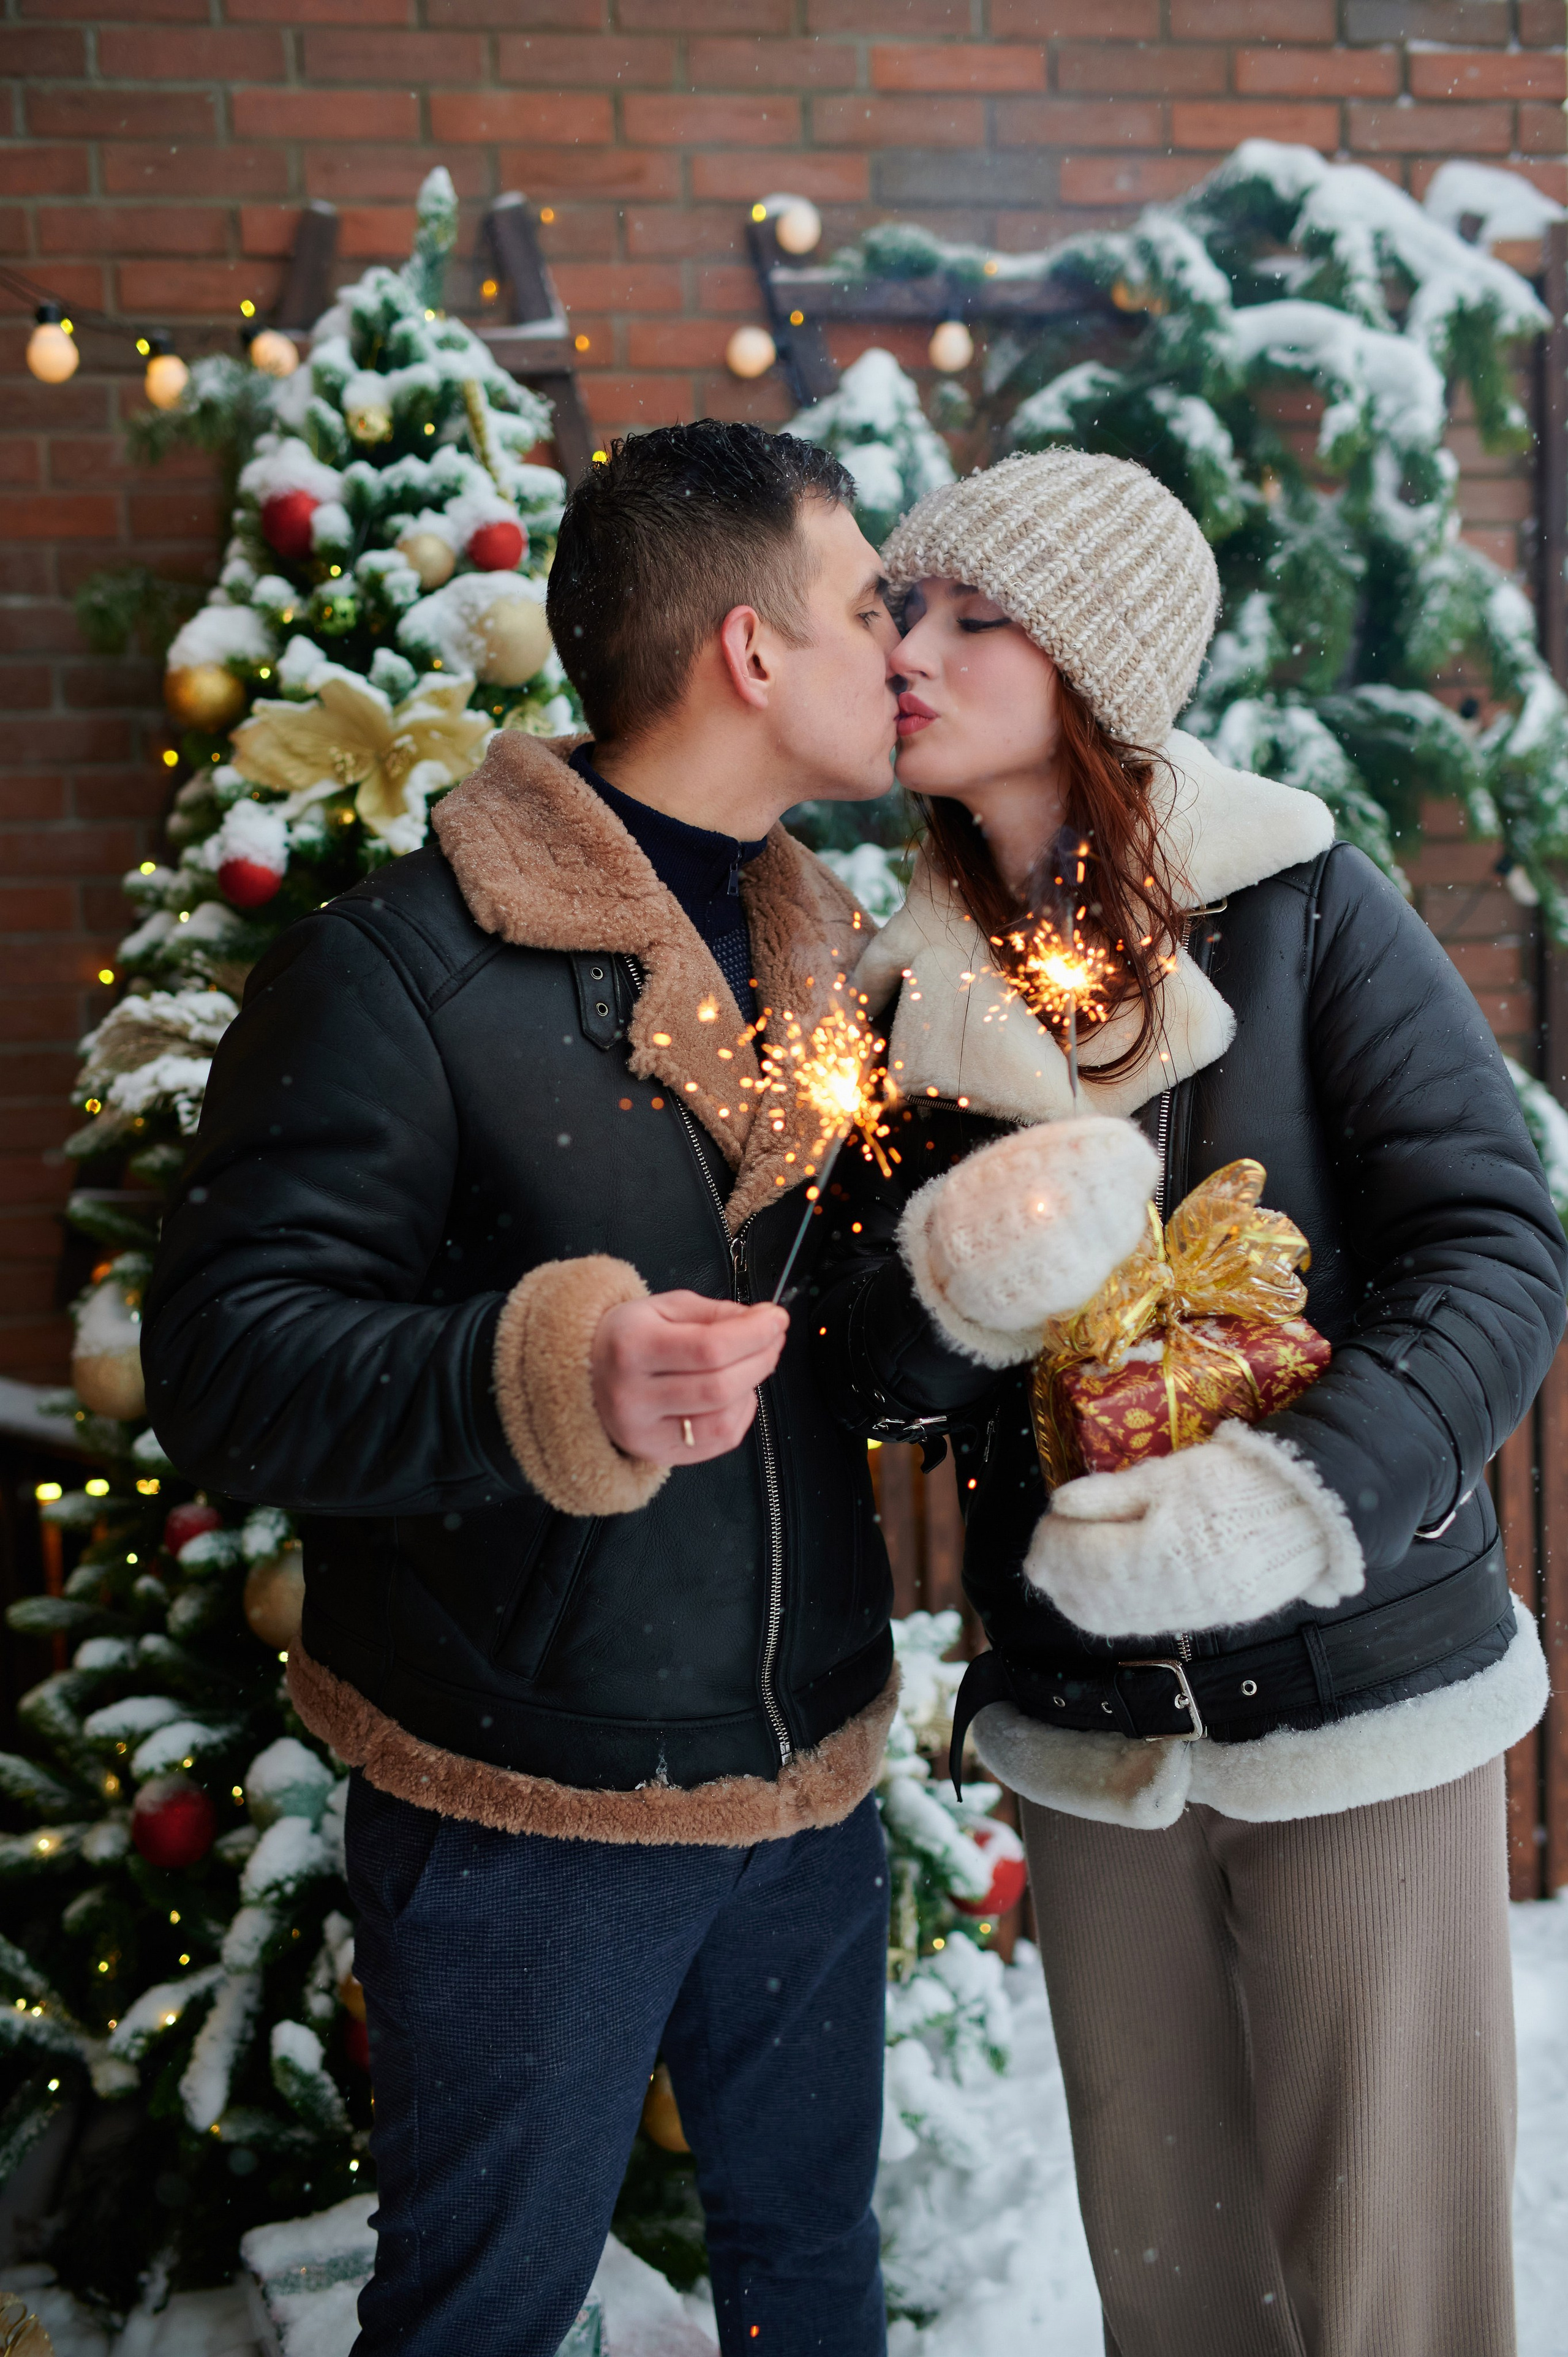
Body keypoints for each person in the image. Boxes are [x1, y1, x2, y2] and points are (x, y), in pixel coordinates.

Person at [143, 424, 1144, 2357]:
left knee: (813, 2288)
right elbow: (224, 1366)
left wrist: (968, 1280)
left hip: (807, 1771)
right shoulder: (400, 970)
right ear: (754, 654)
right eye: (873, 605)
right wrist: (550, 1367)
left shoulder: (835, 968)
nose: (904, 652)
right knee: (480, 2318)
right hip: (527, 1805)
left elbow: (849, 1339)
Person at [813, 450, 1567, 2357]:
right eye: (910, 607)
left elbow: (1497, 1244)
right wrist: (951, 1285)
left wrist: (1307, 1495)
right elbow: (856, 1367)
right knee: (1176, 2289)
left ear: (1092, 670)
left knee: (1400, 2292)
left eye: (981, 618)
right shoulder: (894, 996)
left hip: (1359, 1700)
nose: (916, 648)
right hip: (1090, 1732)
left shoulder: (1306, 904)